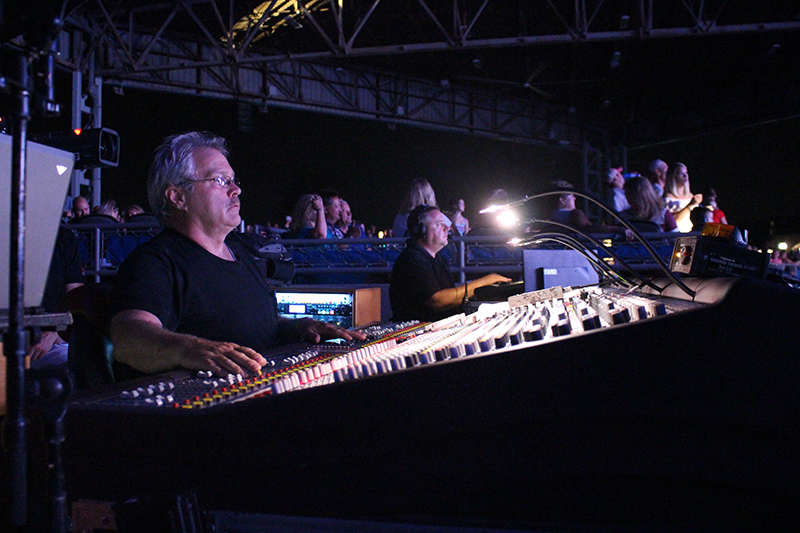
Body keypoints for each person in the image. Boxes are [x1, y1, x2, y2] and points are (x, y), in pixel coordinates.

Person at [109, 132, 364, 377]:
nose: (236, 190)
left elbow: (255, 328)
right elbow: (129, 336)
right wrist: (190, 348)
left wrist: (298, 326)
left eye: (234, 181)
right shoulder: (154, 262)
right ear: (177, 197)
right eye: (220, 180)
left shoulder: (240, 253)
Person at [389, 205, 510, 322]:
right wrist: (485, 281)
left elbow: (452, 296)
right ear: (421, 230)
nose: (447, 228)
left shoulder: (437, 258)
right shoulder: (412, 259)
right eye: (439, 224)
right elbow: (438, 301)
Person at [545, 180, 633, 238]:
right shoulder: (574, 214)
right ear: (562, 200)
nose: (574, 198)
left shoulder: (550, 219)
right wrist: (618, 229)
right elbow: (590, 228)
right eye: (571, 196)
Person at [664, 162, 702, 232]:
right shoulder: (667, 198)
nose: (685, 175)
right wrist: (690, 206)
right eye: (681, 173)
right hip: (677, 234)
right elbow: (672, 220)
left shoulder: (691, 196)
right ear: (674, 176)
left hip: (692, 233)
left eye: (686, 173)